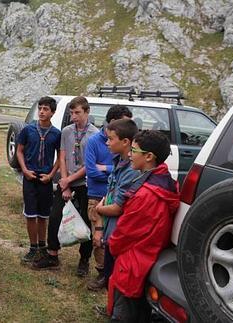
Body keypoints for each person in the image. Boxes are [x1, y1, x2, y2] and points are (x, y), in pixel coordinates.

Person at [107, 130, 180, 321]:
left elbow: (124, 233)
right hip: (150, 256)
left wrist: (112, 246)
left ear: (148, 156)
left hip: (132, 263)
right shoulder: (167, 183)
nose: (129, 154)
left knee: (124, 313)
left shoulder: (145, 195)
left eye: (134, 150)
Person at [33, 96, 98, 272]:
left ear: (87, 112)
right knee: (54, 216)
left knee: (85, 220)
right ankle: (52, 254)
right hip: (66, 180)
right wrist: (66, 183)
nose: (73, 116)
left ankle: (84, 259)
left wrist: (70, 180)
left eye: (77, 113)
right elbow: (62, 156)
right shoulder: (67, 131)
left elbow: (89, 165)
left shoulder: (95, 135)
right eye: (71, 113)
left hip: (84, 183)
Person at [84, 105, 133, 290]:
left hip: (110, 202)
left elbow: (118, 176)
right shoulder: (95, 141)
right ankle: (103, 274)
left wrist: (105, 168)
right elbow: (92, 172)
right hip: (99, 196)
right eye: (124, 122)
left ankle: (111, 278)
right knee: (99, 240)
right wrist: (108, 173)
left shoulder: (128, 158)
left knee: (111, 241)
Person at [16, 96, 61, 264]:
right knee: (30, 214)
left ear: (53, 112)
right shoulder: (28, 130)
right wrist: (25, 170)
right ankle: (32, 247)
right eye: (40, 108)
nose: (41, 111)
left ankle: (42, 246)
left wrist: (51, 174)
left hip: (45, 179)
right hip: (30, 176)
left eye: (46, 109)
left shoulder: (56, 133)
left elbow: (60, 157)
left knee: (43, 215)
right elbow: (19, 151)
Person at [95, 119, 140, 287]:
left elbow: (117, 208)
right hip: (110, 229)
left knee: (115, 275)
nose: (107, 143)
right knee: (109, 273)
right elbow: (110, 193)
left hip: (118, 231)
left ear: (125, 142)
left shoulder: (131, 169)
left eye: (111, 139)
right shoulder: (117, 161)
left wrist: (99, 209)